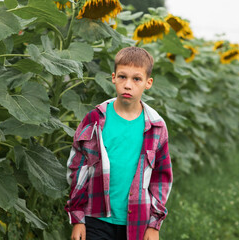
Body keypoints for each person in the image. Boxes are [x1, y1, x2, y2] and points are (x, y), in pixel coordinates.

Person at [65, 46, 173, 240]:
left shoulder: (156, 127)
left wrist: (154, 225)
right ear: (113, 77)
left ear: (148, 83)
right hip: (95, 217)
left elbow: (161, 178)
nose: (128, 85)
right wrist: (78, 218)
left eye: (136, 79)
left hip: (137, 220)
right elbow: (78, 169)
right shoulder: (96, 119)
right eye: (122, 77)